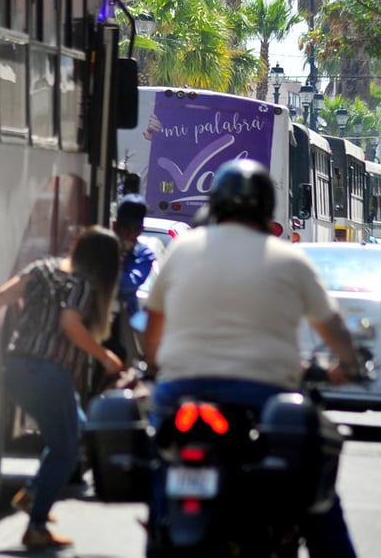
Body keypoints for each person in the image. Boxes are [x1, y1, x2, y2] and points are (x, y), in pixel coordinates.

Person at [141, 158, 363, 558]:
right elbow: (334, 328)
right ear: (266, 209)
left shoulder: (182, 248)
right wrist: (349, 365)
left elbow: (152, 329)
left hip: (179, 392)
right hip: (262, 397)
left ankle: (158, 534)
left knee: (163, 463)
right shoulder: (289, 259)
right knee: (314, 488)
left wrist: (157, 367)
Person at [0, 225, 124, 549]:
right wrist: (105, 356)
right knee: (66, 448)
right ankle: (36, 526)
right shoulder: (82, 284)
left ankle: (34, 493)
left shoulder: (40, 268)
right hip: (47, 372)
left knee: (76, 427)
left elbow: (1, 297)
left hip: (16, 368)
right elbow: (70, 323)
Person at [106, 194, 159, 366]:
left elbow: (127, 284)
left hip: (124, 319)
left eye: (135, 231)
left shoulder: (144, 254)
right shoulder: (103, 246)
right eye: (125, 230)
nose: (130, 235)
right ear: (116, 227)